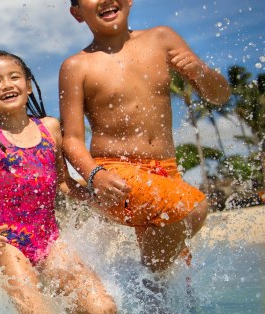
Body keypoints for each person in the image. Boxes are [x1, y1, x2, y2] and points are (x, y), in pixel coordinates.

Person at [60, 0, 231, 280]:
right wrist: (94, 176)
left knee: (178, 281)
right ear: (77, 13)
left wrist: (200, 70)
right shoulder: (76, 66)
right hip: (115, 175)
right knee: (192, 207)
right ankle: (148, 280)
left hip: (167, 171)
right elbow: (72, 139)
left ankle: (143, 291)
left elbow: (220, 96)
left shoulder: (162, 38)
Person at [0, 50, 117, 314]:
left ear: (29, 84)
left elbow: (63, 182)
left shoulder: (50, 129)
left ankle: (50, 292)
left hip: (49, 239)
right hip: (10, 243)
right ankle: (22, 289)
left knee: (103, 312)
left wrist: (94, 199)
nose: (7, 84)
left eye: (14, 77)